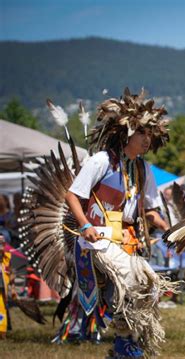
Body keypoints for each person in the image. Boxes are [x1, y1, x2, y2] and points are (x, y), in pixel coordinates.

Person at [20, 88, 176, 357]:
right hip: (96, 239)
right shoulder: (102, 161)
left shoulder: (142, 169)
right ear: (126, 133)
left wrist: (169, 230)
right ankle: (126, 341)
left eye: (150, 134)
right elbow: (72, 194)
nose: (147, 139)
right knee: (131, 278)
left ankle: (124, 342)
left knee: (143, 284)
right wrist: (84, 226)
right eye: (142, 132)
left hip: (127, 239)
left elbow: (149, 211)